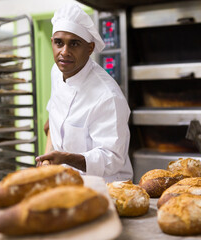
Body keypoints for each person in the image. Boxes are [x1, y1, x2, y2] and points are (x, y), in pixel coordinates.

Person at [35, 3, 133, 182]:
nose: (64, 52)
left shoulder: (107, 96)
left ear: (89, 48)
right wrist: (48, 155)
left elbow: (112, 159)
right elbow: (55, 115)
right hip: (65, 181)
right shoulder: (56, 72)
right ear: (52, 43)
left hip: (106, 188)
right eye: (59, 43)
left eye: (74, 44)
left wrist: (65, 158)